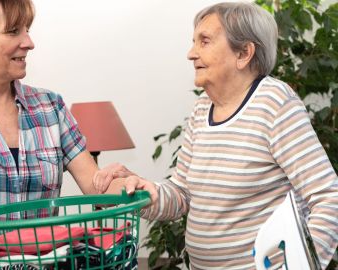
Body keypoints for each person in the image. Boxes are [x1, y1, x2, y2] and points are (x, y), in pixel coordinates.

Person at [96, 2, 338, 269]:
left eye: (205, 41)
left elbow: (329, 197)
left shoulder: (274, 103)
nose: (191, 53)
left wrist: (299, 265)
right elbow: (182, 195)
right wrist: (145, 190)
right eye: (194, 42)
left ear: (244, 53)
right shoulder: (202, 109)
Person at [0, 0, 133, 268]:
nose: (29, 42)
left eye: (27, 30)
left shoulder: (51, 107)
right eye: (13, 31)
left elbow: (97, 185)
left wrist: (132, 187)